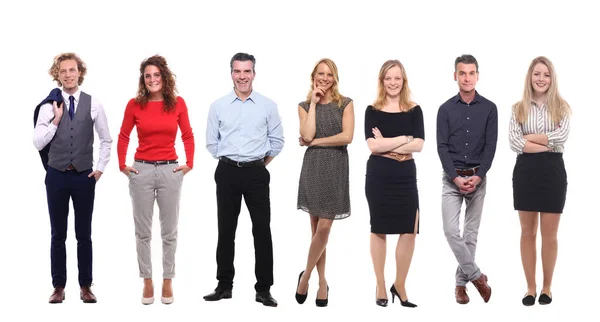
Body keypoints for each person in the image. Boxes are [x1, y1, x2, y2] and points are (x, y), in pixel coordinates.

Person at [204, 52, 284, 307]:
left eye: (246, 71)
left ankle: (263, 289)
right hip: (226, 172)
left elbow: (277, 141)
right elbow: (211, 142)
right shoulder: (218, 106)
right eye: (237, 71)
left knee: (262, 231)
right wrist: (230, 160)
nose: (242, 76)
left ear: (254, 74)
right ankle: (224, 285)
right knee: (225, 231)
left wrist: (258, 163)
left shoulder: (267, 105)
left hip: (256, 173)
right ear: (231, 74)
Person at [33, 52, 112, 304]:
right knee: (58, 234)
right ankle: (58, 287)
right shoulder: (49, 105)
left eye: (72, 70)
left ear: (80, 73)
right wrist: (56, 120)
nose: (68, 74)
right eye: (63, 71)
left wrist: (98, 169)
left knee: (84, 234)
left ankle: (86, 286)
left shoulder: (94, 104)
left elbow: (106, 139)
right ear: (57, 75)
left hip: (83, 177)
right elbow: (37, 142)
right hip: (56, 175)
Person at [117, 55, 195, 305]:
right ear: (143, 79)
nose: (152, 80)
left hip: (171, 170)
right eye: (148, 76)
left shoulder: (178, 104)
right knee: (143, 232)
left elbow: (188, 135)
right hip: (141, 171)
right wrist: (123, 166)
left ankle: (168, 279)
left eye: (156, 75)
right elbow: (123, 136)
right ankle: (147, 280)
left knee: (169, 230)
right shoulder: (134, 105)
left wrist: (189, 164)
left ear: (164, 77)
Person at [508, 56, 570, 306]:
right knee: (527, 232)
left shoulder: (562, 107)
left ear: (551, 78)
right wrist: (546, 141)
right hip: (525, 172)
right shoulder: (517, 108)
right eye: (537, 74)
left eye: (546, 74)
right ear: (530, 77)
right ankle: (530, 288)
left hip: (553, 172)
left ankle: (547, 287)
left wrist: (529, 139)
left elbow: (562, 136)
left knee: (550, 234)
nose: (541, 79)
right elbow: (514, 143)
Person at [436, 54, 497, 304]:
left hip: (478, 179)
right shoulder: (445, 109)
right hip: (452, 179)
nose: (467, 78)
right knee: (451, 231)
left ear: (478, 76)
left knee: (470, 234)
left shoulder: (490, 108)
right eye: (462, 73)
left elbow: (491, 146)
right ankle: (477, 276)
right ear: (455, 76)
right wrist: (455, 177)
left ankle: (460, 285)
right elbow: (441, 147)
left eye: (471, 73)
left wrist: (479, 176)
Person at [295, 58, 354, 307]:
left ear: (335, 77)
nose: (325, 78)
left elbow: (347, 137)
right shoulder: (304, 105)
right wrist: (314, 103)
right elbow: (306, 133)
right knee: (316, 231)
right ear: (313, 76)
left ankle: (305, 277)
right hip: (314, 168)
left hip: (336, 168)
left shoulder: (346, 103)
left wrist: (316, 142)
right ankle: (322, 282)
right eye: (321, 74)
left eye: (329, 74)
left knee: (325, 229)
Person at [364, 59, 424, 308]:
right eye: (388, 78)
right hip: (379, 175)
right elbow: (372, 145)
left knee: (409, 229)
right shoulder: (372, 110)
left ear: (403, 80)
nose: (393, 83)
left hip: (405, 176)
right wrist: (403, 138)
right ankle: (380, 283)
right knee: (378, 228)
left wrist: (388, 143)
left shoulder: (414, 109)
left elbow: (419, 145)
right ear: (382, 81)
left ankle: (399, 284)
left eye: (397, 78)